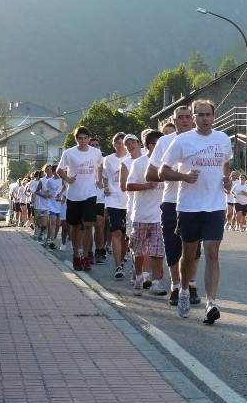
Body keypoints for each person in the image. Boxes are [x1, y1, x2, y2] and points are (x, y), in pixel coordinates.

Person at [160, 99, 233, 324]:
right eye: (199, 114)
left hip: (214, 205)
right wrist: (183, 176)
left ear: (214, 117)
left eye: (207, 114)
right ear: (193, 118)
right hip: (189, 206)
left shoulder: (223, 139)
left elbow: (226, 163)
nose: (204, 118)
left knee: (212, 251)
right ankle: (183, 291)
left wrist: (227, 179)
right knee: (188, 254)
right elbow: (163, 171)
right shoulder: (183, 141)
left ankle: (211, 302)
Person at [146, 108, 196, 307]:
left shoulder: (201, 141)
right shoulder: (165, 142)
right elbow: (150, 174)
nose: (184, 120)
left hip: (195, 200)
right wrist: (174, 174)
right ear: (173, 121)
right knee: (173, 247)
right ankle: (176, 286)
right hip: (171, 200)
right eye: (180, 118)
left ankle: (190, 285)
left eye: (187, 117)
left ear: (192, 119)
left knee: (194, 248)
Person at [122, 131, 166, 296]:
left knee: (157, 251)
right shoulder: (140, 163)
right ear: (151, 146)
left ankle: (155, 283)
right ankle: (139, 276)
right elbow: (129, 186)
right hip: (140, 214)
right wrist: (148, 185)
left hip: (159, 215)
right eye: (160, 144)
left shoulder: (167, 164)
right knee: (139, 250)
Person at [57, 125, 102, 272]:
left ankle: (86, 257)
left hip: (90, 193)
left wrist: (99, 179)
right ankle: (76, 255)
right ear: (76, 139)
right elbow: (59, 170)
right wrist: (68, 179)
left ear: (89, 139)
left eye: (85, 138)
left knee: (88, 224)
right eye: (80, 138)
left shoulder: (96, 152)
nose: (83, 141)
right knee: (75, 226)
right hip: (74, 195)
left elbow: (100, 164)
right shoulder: (69, 153)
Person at [101, 132, 131, 278]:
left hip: (129, 200)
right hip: (113, 200)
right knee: (116, 232)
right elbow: (105, 177)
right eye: (117, 143)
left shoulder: (132, 157)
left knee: (126, 235)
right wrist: (106, 187)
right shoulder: (108, 159)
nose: (120, 145)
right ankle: (118, 266)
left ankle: (123, 256)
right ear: (114, 144)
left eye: (122, 143)